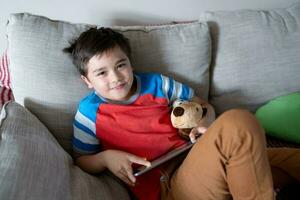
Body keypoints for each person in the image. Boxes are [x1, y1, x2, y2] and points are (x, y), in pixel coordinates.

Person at [64, 27, 300, 200]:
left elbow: (203, 106)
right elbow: (81, 160)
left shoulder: (157, 84)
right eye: (101, 73)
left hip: (197, 154)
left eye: (120, 65)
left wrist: (204, 122)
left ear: (130, 62)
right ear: (87, 81)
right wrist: (106, 158)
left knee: (264, 148)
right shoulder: (89, 113)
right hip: (169, 185)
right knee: (239, 121)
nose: (115, 77)